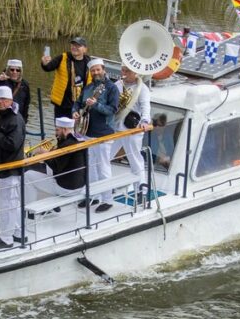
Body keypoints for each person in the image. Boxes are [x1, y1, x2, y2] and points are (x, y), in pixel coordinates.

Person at [73, 58, 120, 212]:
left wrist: (96, 105)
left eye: (98, 69)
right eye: (93, 70)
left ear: (103, 69)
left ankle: (108, 200)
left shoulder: (112, 88)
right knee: (91, 167)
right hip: (87, 132)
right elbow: (78, 103)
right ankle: (93, 196)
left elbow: (112, 110)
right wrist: (74, 111)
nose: (95, 72)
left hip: (104, 134)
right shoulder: (87, 88)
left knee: (103, 167)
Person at [0, 86, 26, 251]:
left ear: (10, 101)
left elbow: (12, 144)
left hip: (11, 168)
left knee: (7, 204)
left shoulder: (14, 119)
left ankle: (6, 238)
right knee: (12, 203)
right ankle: (17, 232)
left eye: (3, 99)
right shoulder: (3, 116)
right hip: (6, 167)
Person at [24, 116, 87, 207]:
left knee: (28, 176)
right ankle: (53, 207)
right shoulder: (79, 139)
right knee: (47, 169)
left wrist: (44, 154)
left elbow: (56, 168)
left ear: (65, 130)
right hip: (80, 185)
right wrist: (51, 152)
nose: (55, 133)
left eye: (57, 130)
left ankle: (29, 209)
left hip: (66, 189)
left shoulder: (66, 145)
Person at [115, 65, 152, 198]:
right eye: (123, 70)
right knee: (106, 155)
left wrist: (145, 121)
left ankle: (141, 190)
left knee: (135, 159)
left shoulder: (142, 88)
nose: (124, 73)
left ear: (135, 72)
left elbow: (145, 106)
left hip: (132, 129)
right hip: (116, 127)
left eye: (127, 71)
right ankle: (102, 190)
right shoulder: (118, 85)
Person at [40, 36, 92, 119]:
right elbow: (48, 68)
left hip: (79, 104)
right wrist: (44, 63)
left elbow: (94, 81)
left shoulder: (89, 62)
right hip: (62, 104)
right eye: (73, 45)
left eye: (78, 45)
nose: (74, 47)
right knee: (61, 130)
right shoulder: (63, 57)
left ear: (85, 49)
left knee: (76, 130)